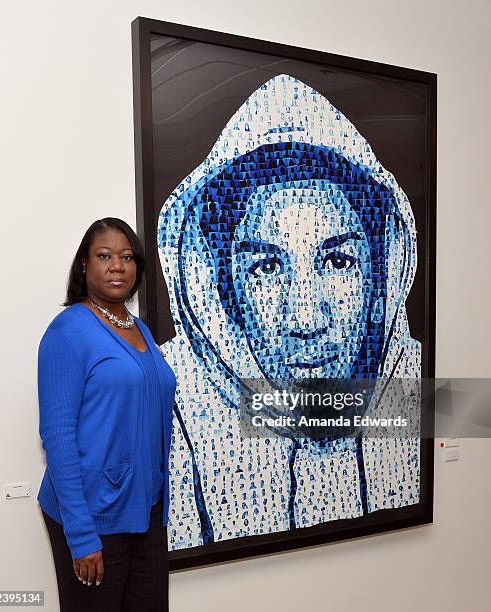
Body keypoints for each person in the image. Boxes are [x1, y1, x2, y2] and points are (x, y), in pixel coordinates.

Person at [157, 74, 421, 549]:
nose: (303, 319)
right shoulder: (173, 408)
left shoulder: (419, 388)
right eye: (266, 268)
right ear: (224, 289)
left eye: (338, 261)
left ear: (381, 272)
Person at [37, 217, 176, 611]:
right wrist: (81, 535)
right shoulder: (68, 333)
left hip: (145, 511)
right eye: (105, 256)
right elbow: (58, 438)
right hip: (93, 516)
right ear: (84, 264)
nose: (118, 265)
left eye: (127, 257)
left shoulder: (139, 328)